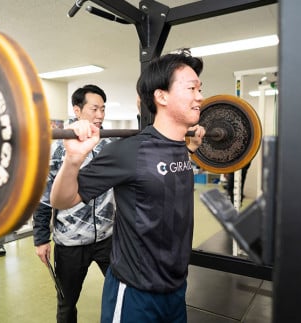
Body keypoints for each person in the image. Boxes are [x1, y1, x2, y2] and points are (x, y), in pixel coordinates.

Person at [50, 50, 206, 322]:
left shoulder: (181, 147)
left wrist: (190, 150)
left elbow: (163, 177)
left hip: (177, 288)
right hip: (136, 292)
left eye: (200, 88)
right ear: (162, 96)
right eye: (191, 88)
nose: (200, 96)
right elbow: (62, 200)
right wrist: (74, 159)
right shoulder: (129, 152)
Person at [33, 84, 116, 323]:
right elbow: (44, 197)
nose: (100, 115)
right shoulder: (56, 147)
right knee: (67, 302)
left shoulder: (108, 145)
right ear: (77, 110)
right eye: (94, 109)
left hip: (107, 238)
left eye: (103, 109)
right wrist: (40, 238)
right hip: (70, 243)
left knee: (124, 290)